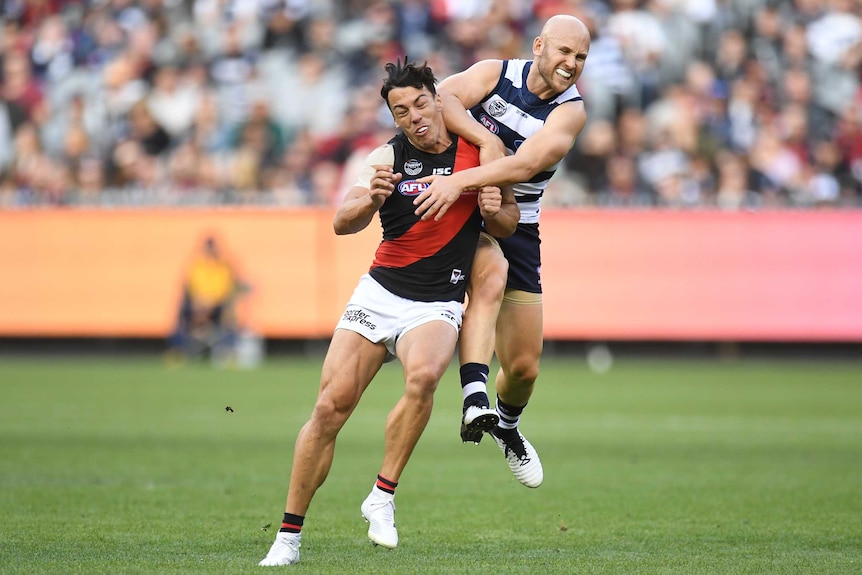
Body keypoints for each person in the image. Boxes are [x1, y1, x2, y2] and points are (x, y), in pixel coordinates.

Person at [258, 59, 519, 567]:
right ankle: (287, 538)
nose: (414, 116)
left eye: (421, 103)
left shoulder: (482, 151)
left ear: (437, 98)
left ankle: (382, 494)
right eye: (401, 111)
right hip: (380, 294)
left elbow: (507, 222)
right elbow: (341, 221)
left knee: (423, 378)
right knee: (329, 410)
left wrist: (492, 209)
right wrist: (368, 201)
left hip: (438, 299)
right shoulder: (385, 157)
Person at [411, 15, 591, 489]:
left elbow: (529, 162)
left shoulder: (571, 112)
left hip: (517, 225)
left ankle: (507, 427)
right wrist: (486, 141)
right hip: (460, 211)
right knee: (483, 283)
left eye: (581, 58)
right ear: (539, 46)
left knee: (526, 367)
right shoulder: (495, 73)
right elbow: (440, 98)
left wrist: (463, 179)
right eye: (564, 52)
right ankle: (472, 393)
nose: (571, 65)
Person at [167, 234, 248, 361]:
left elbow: (228, 288)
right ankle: (177, 350)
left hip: (218, 304)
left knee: (230, 313)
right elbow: (190, 288)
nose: (210, 251)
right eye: (208, 248)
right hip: (198, 304)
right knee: (181, 311)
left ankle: (229, 351)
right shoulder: (196, 266)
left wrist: (212, 301)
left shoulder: (224, 266)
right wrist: (199, 300)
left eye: (212, 248)